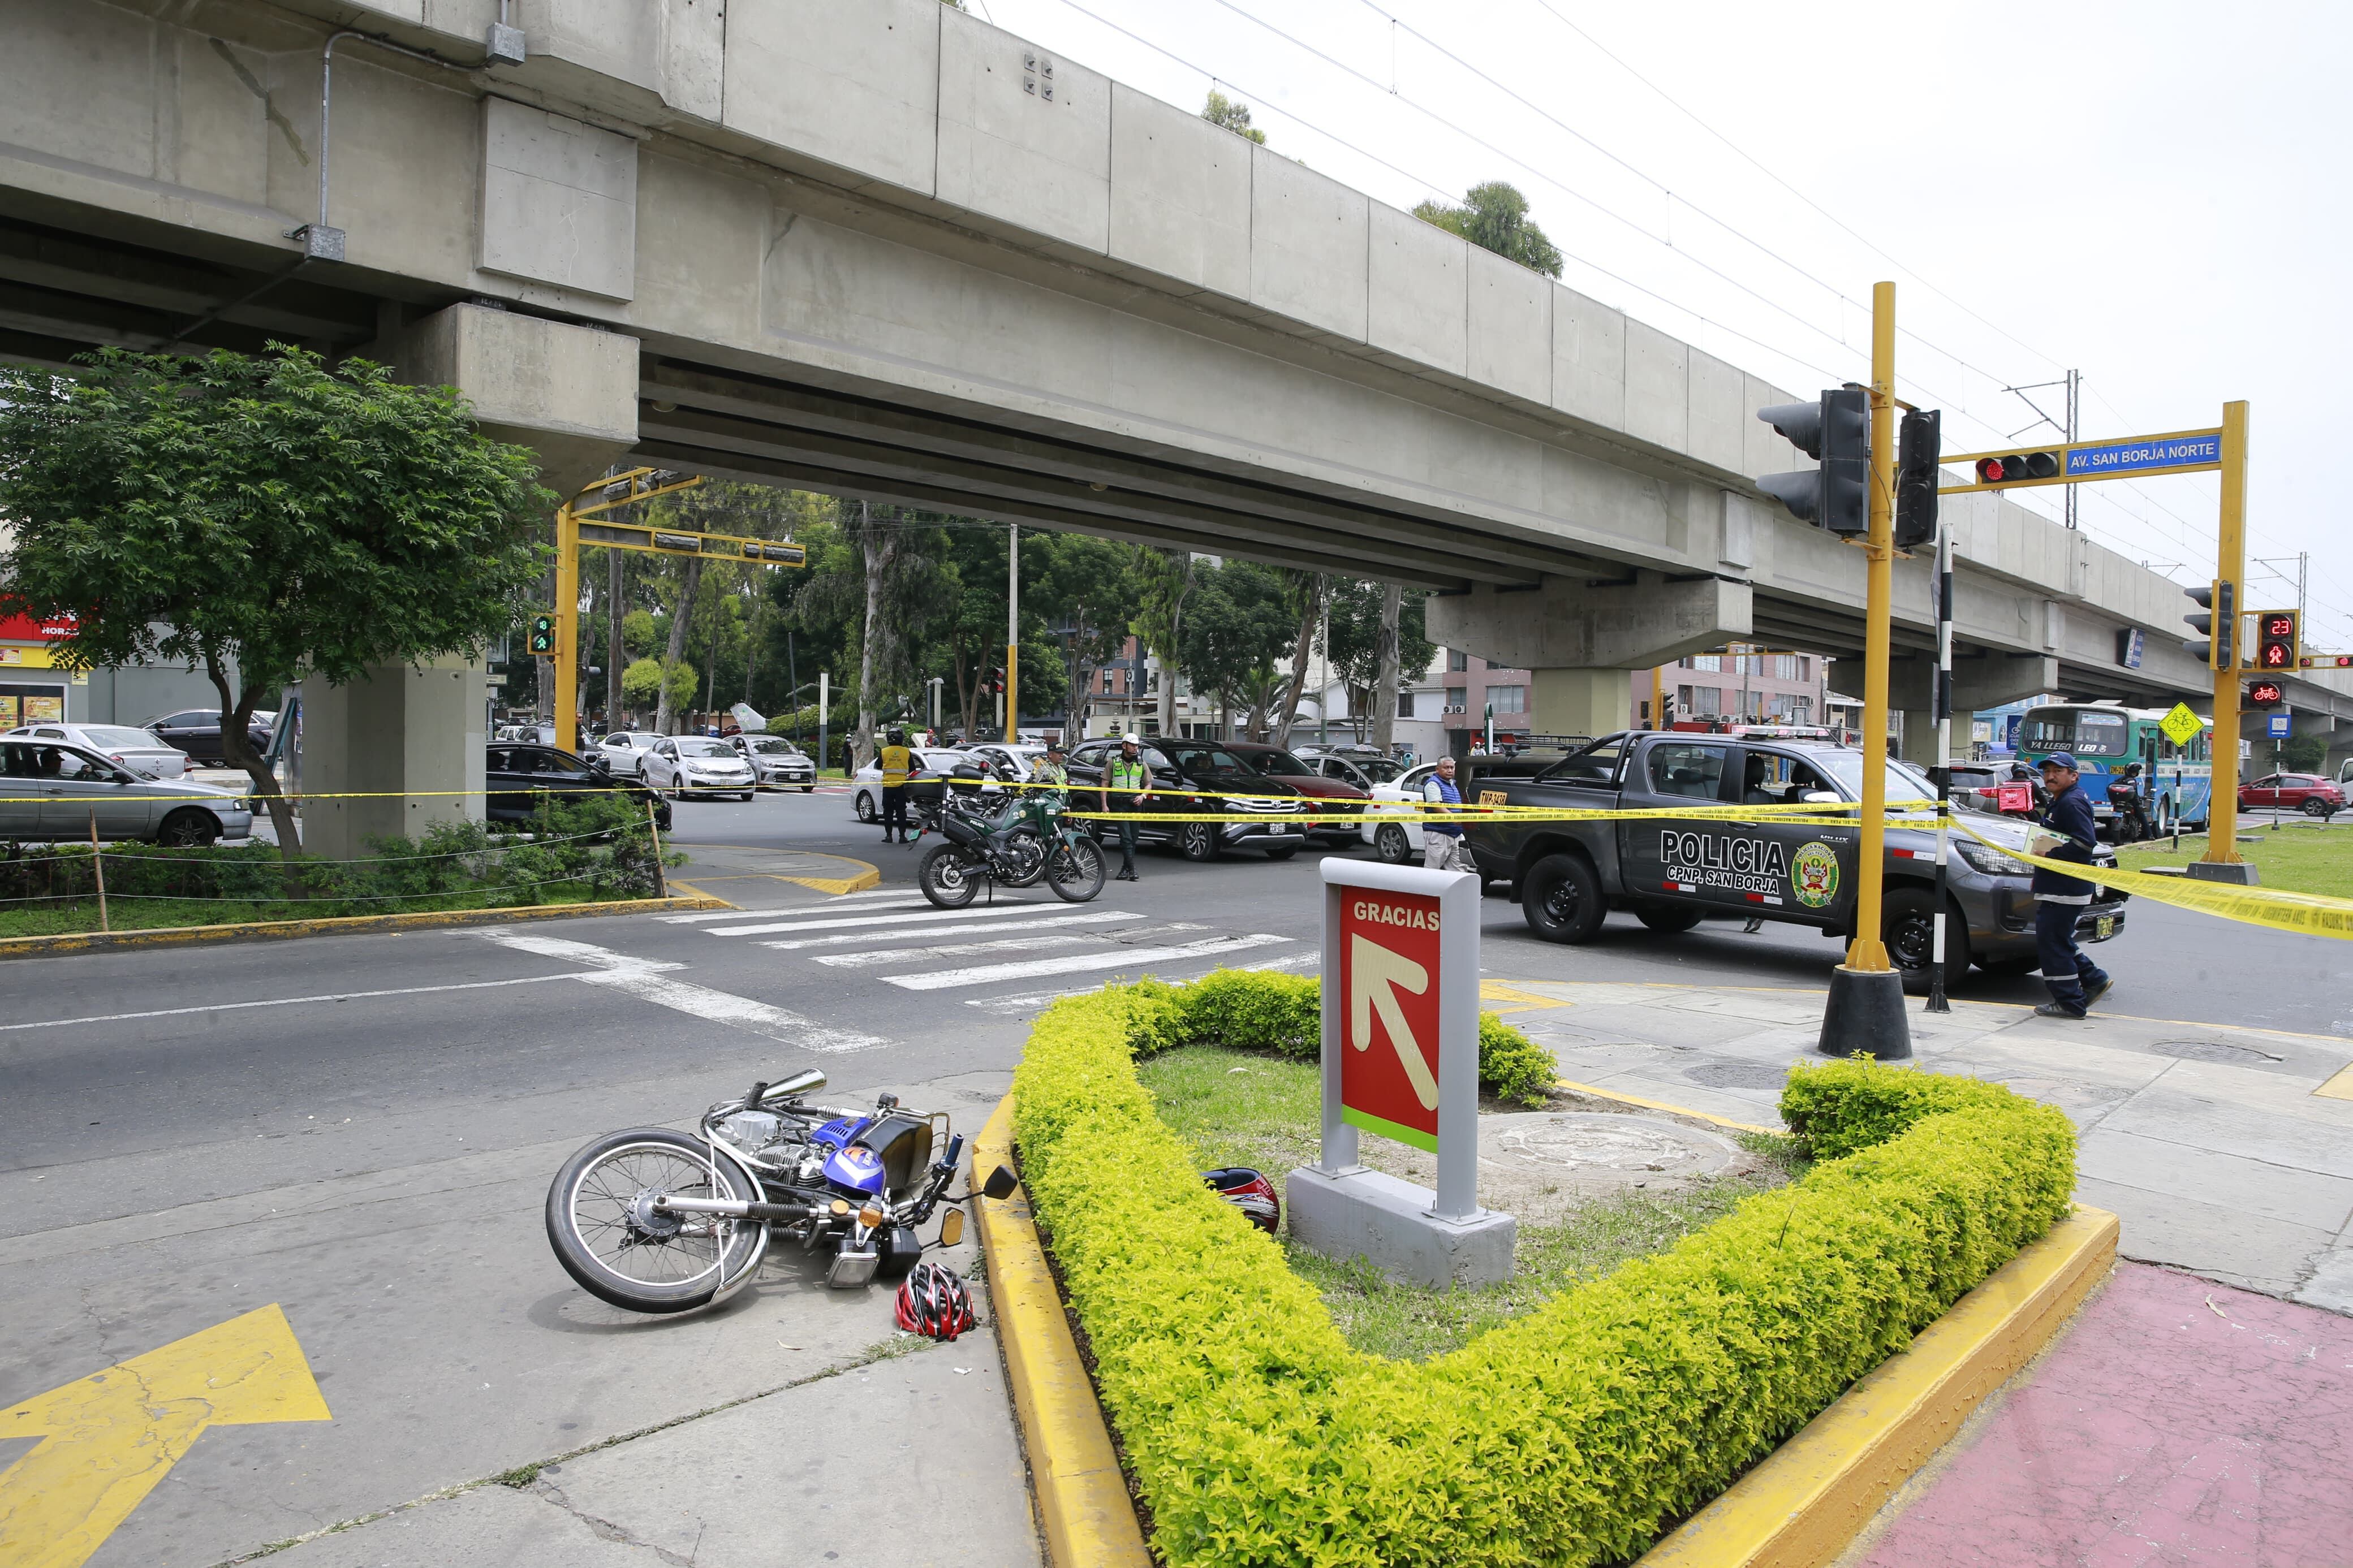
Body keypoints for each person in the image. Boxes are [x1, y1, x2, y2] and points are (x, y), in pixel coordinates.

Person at [2028, 751, 2111, 1019]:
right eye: (2047, 771)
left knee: (2052, 944)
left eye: (2058, 771)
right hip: (2059, 886)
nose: (2050, 776)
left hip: (2065, 889)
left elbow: (2085, 844)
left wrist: (2048, 856)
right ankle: (2095, 979)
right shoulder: (2062, 800)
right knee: (2059, 941)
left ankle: (2069, 1002)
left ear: (2074, 776)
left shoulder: (2072, 803)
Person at [1100, 733, 1153, 882]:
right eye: (1132, 745)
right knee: (1126, 837)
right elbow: (1104, 784)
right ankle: (1133, 870)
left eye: (1137, 745)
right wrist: (1105, 805)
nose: (1135, 748)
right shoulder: (1113, 762)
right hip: (1119, 802)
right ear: (1124, 746)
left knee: (1134, 837)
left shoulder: (1141, 763)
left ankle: (1125, 869)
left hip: (1135, 803)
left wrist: (1142, 796)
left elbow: (1149, 784)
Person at [1420, 755, 1472, 872]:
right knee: (1432, 871)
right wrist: (1453, 817)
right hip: (1439, 834)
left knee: (1459, 871)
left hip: (1456, 834)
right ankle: (1427, 891)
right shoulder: (1433, 784)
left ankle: (1457, 891)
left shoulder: (1452, 784)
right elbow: (1436, 806)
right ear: (1437, 769)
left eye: (1452, 768)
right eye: (1446, 768)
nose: (1450, 770)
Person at [877, 728, 913, 844]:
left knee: (888, 812)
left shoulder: (884, 752)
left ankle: (889, 836)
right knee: (901, 811)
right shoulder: (906, 752)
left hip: (888, 786)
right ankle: (902, 837)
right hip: (902, 786)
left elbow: (878, 766)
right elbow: (912, 768)